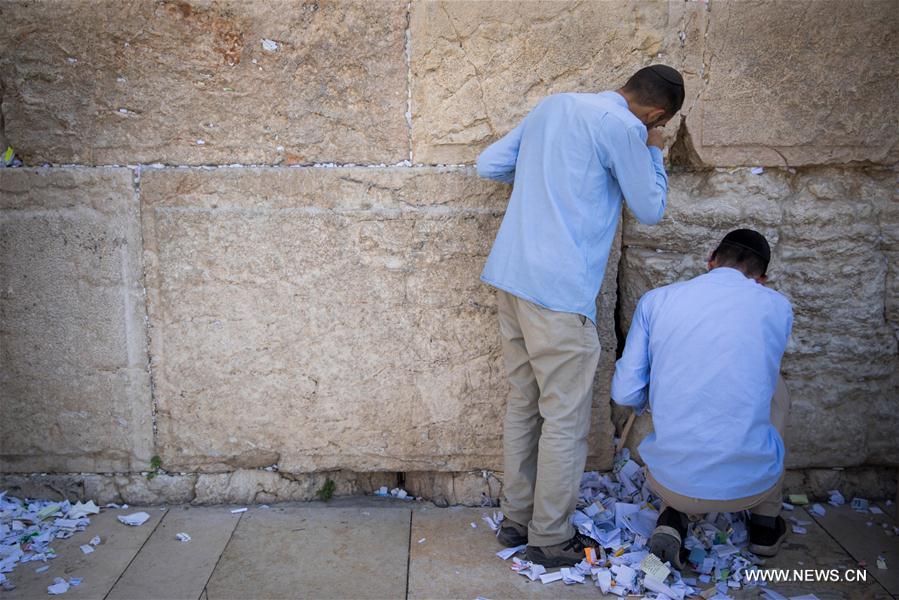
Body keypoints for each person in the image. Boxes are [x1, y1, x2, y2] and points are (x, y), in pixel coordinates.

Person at [476, 65, 685, 567]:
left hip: (512, 277)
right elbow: (650, 208)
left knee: (524, 403)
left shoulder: (554, 105)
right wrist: (653, 149)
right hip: (559, 293)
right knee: (564, 419)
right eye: (658, 124)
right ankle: (550, 537)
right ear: (656, 114)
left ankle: (516, 519)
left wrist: (543, 180)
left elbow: (489, 164)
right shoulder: (626, 129)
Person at [611, 229, 793, 566]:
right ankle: (765, 523)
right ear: (762, 279)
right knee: (776, 389)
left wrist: (651, 398)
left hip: (670, 482)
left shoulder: (657, 300)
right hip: (752, 487)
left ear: (710, 259)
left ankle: (672, 516)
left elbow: (624, 392)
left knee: (680, 390)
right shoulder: (778, 307)